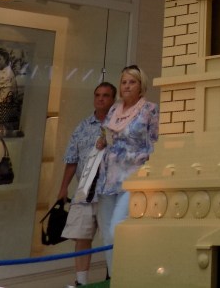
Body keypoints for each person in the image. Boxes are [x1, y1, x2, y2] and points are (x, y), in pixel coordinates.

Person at [95, 66, 159, 278]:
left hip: (133, 177)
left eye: (132, 82)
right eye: (124, 82)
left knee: (117, 230)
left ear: (141, 85)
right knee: (107, 235)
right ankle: (115, 278)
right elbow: (107, 137)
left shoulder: (150, 109)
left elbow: (156, 143)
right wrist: (101, 141)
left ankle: (130, 275)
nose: (127, 86)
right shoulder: (114, 110)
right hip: (108, 178)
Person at [57, 82, 117, 288]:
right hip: (84, 191)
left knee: (111, 238)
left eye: (106, 95)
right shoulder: (82, 127)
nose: (101, 99)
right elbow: (71, 160)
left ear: (113, 99)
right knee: (82, 237)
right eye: (97, 95)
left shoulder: (118, 124)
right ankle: (81, 282)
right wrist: (63, 188)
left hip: (109, 191)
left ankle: (113, 277)